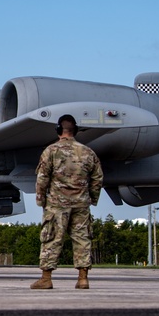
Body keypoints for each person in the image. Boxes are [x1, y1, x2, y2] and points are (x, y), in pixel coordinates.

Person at [32, 115, 103, 290]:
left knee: (52, 238)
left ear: (58, 131)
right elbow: (97, 178)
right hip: (81, 203)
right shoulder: (87, 152)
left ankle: (46, 278)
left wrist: (41, 200)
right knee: (82, 239)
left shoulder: (51, 151)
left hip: (57, 204)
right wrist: (92, 198)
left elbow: (42, 178)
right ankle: (82, 278)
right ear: (75, 131)